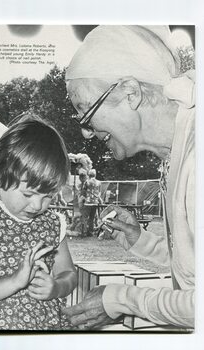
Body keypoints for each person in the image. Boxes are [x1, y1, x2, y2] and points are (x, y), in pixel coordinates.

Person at [63, 25, 195, 329]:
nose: (85, 131)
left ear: (130, 92)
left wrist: (121, 299)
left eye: (86, 112)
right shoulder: (177, 152)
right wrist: (143, 242)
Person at [0, 119, 77, 330]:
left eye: (48, 196)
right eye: (29, 193)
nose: (37, 205)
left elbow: (69, 274)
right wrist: (14, 282)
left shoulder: (53, 224)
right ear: (1, 176)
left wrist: (57, 287)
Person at [84, 169, 103, 235]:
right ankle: (90, 231)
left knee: (86, 217)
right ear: (95, 175)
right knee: (92, 217)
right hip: (95, 202)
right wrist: (98, 199)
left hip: (87, 202)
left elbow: (84, 191)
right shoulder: (99, 182)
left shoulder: (86, 182)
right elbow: (99, 193)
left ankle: (84, 231)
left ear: (89, 174)